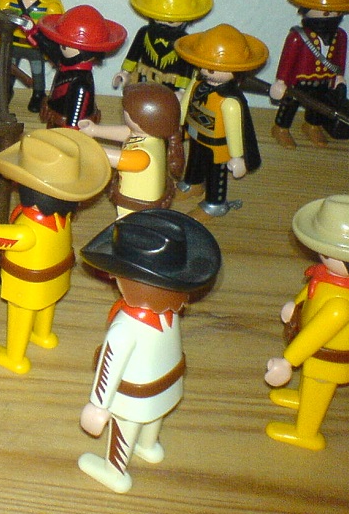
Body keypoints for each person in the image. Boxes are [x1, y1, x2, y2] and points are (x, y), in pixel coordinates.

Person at [0, 128, 110, 374]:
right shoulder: (63, 218)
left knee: (21, 315)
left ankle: (14, 356)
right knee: (47, 304)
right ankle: (43, 334)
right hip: (57, 278)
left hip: (27, 285)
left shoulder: (28, 229)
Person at [77, 209, 221, 494]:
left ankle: (114, 471)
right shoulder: (171, 314)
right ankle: (149, 445)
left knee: (124, 428)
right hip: (166, 386)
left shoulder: (125, 327)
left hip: (132, 397)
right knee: (155, 417)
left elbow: (109, 367)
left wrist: (98, 405)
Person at [264, 195, 349, 450]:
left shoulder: (341, 306)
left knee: (317, 393)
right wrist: (296, 303)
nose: (321, 255)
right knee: (310, 386)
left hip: (326, 362)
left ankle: (306, 433)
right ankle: (302, 397)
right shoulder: (331, 279)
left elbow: (314, 336)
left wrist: (288, 361)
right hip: (317, 356)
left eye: (328, 252)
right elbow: (313, 291)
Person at [173, 24, 268, 219]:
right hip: (195, 132)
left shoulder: (230, 101)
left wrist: (237, 157)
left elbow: (236, 131)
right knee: (194, 160)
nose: (207, 70)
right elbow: (185, 103)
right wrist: (178, 124)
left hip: (217, 146)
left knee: (216, 173)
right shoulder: (197, 82)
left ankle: (215, 203)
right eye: (204, 64)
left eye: (214, 68)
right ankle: (193, 183)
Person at [270, 0, 349, 149]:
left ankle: (312, 126)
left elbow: (340, 58)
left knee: (318, 107)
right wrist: (281, 81)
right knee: (289, 105)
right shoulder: (298, 37)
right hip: (298, 82)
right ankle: (281, 128)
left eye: (336, 12)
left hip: (323, 80)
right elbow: (287, 60)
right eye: (326, 12)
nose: (331, 17)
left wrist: (339, 76)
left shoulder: (340, 36)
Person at [79, 82, 185, 218]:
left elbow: (118, 159)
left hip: (135, 207)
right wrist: (95, 130)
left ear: (143, 120)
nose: (124, 113)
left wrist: (89, 149)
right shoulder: (152, 137)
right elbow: (128, 133)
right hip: (135, 201)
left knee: (127, 226)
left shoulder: (143, 156)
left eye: (127, 112)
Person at [31, 5, 126, 129]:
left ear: (86, 53)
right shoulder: (66, 63)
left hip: (65, 129)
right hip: (55, 121)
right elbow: (50, 50)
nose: (59, 48)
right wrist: (33, 32)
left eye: (64, 46)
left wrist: (70, 133)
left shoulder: (81, 83)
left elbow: (76, 117)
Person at [113, 0, 213, 92]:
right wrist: (125, 73)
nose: (164, 24)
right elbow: (133, 55)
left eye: (171, 21)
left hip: (171, 87)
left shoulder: (184, 42)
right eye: (158, 18)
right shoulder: (144, 33)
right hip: (144, 81)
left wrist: (182, 90)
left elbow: (186, 68)